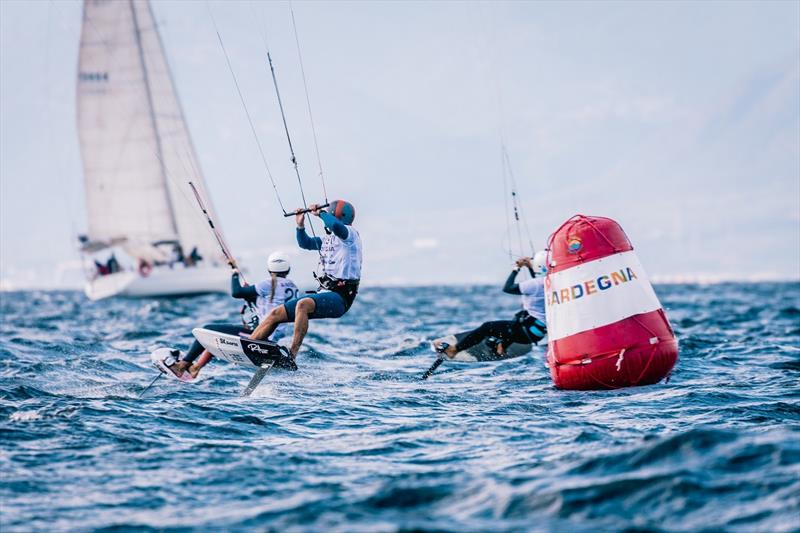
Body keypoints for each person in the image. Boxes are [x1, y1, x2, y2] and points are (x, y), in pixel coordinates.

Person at [155, 251, 300, 381]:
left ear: (269, 269)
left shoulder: (268, 283)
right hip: (275, 338)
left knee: (207, 331)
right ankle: (195, 368)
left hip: (260, 336)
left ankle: (182, 366)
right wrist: (251, 295)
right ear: (288, 269)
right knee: (216, 338)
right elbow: (273, 304)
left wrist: (235, 272)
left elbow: (236, 292)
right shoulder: (293, 287)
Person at [248, 200, 362, 361]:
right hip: (325, 292)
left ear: (337, 216)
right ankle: (250, 345)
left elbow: (336, 227)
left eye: (329, 215)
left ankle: (292, 354)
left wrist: (320, 213)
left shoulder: (350, 235)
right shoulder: (327, 240)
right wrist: (300, 225)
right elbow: (305, 243)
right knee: (275, 314)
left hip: (341, 297)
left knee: (303, 305)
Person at [434, 250, 548, 358]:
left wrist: (517, 268)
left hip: (525, 332)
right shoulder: (549, 281)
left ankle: (454, 350)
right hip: (536, 332)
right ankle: (501, 346)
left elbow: (508, 288)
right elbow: (538, 282)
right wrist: (529, 267)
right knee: (517, 319)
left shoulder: (536, 284)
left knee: (487, 327)